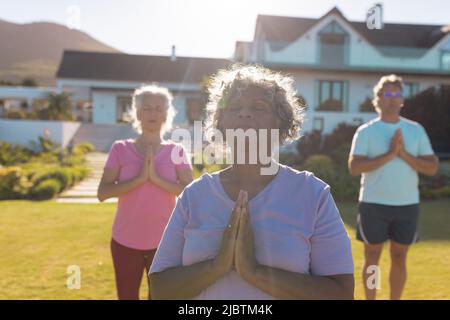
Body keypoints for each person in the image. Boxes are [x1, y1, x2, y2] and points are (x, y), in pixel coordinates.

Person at [149, 65, 354, 300]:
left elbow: (341, 293)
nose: (244, 113)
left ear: (281, 124)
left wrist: (253, 271)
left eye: (259, 107)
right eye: (234, 107)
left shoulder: (313, 195)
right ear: (221, 124)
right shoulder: (194, 195)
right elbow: (159, 289)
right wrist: (217, 266)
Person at [97, 84, 193, 300]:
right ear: (138, 113)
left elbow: (189, 192)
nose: (153, 113)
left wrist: (156, 179)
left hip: (166, 243)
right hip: (124, 241)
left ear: (166, 114)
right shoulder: (120, 148)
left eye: (159, 108)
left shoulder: (176, 151)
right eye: (147, 107)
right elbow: (102, 192)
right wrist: (140, 178)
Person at [348, 74, 439, 300]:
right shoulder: (366, 131)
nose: (391, 99)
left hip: (406, 205)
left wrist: (403, 154)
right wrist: (390, 154)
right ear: (377, 99)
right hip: (373, 204)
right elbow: (354, 167)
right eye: (386, 94)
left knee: (400, 257)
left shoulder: (415, 130)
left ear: (402, 100)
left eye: (396, 94)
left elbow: (431, 167)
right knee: (372, 257)